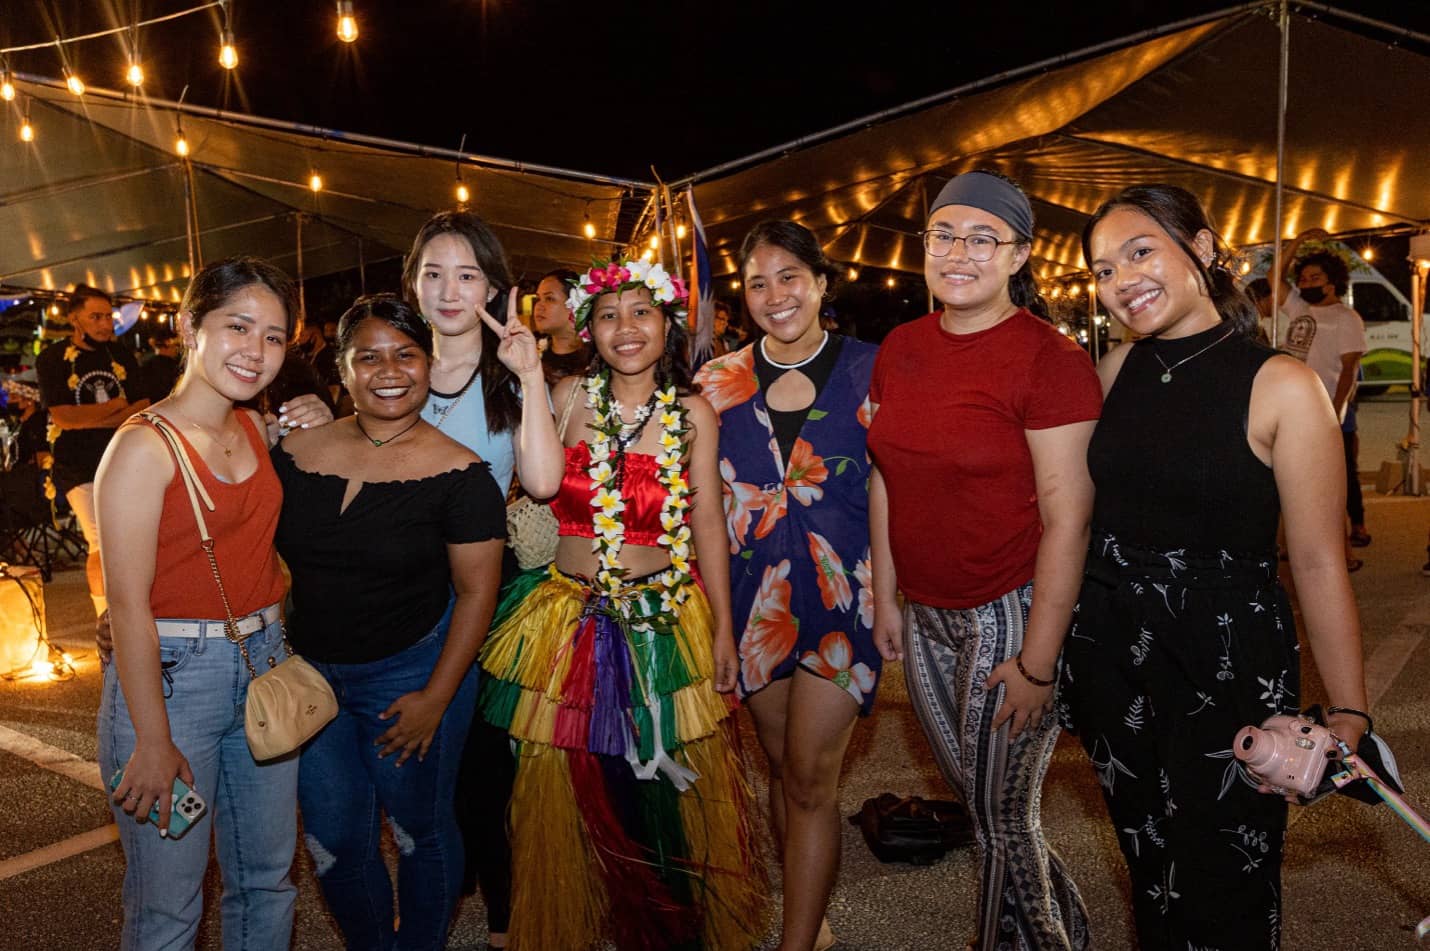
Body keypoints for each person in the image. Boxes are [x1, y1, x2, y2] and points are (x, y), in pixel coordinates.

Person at [1064, 185, 1370, 949]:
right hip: (1112, 649)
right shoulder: (1114, 368)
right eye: (1102, 269)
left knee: (1227, 870)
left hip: (1225, 657)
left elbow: (1317, 560)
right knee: (1149, 862)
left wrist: (1351, 709)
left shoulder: (1283, 385)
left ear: (1202, 248)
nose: (1120, 279)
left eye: (1140, 251)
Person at [476, 257, 767, 951]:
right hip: (568, 618)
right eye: (608, 315)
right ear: (588, 329)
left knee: (660, 797)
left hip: (663, 619)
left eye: (641, 312)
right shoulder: (570, 395)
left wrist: (725, 627)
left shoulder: (692, 412)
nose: (625, 329)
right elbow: (538, 483)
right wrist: (526, 376)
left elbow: (705, 529)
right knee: (571, 791)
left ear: (667, 323)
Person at [866, 170, 1097, 950]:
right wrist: (886, 595)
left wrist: (1038, 661)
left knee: (1000, 819)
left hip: (1012, 607)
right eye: (942, 235)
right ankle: (1069, 928)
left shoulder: (1048, 357)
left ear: (1019, 253)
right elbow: (887, 473)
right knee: (991, 808)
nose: (957, 253)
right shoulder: (900, 348)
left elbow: (1069, 518)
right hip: (925, 610)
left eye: (981, 238)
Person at [273, 294, 526, 949]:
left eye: (406, 353)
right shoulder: (295, 454)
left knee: (420, 830)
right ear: (343, 367)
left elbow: (477, 593)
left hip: (413, 673)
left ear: (428, 362)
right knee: (332, 837)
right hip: (314, 678)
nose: (389, 369)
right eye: (369, 355)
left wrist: (436, 698)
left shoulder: (463, 474)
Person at [95, 257, 303, 950]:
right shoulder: (141, 448)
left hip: (265, 665)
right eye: (238, 326)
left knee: (268, 879)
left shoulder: (252, 426)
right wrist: (152, 740)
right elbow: (125, 606)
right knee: (168, 908)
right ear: (190, 327)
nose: (256, 350)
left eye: (274, 336)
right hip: (175, 683)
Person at [694, 220, 879, 951]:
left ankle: (795, 939)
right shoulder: (717, 381)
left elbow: (896, 488)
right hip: (752, 600)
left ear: (823, 283)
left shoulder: (872, 368)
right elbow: (702, 501)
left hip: (847, 598)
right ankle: (810, 894)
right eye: (758, 281)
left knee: (808, 772)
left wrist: (892, 592)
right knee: (780, 767)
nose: (775, 295)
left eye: (790, 277)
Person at [402, 210, 563, 949]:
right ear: (412, 282)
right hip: (403, 592)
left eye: (467, 274)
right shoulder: (393, 368)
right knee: (416, 756)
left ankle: (504, 914)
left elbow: (540, 478)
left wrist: (531, 377)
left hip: (487, 594)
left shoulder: (510, 380)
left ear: (494, 289)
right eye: (433, 272)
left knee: (485, 763)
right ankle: (445, 877)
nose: (448, 289)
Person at [36, 285, 147, 615]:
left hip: (124, 460)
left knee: (131, 540)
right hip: (78, 468)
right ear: (74, 319)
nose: (105, 324)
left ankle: (136, 610)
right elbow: (63, 418)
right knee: (100, 543)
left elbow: (141, 406)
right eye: (95, 317)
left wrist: (89, 418)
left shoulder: (121, 355)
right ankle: (105, 619)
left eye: (108, 317)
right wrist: (115, 408)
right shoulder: (53, 358)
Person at [1277, 237, 1371, 554]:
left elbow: (1349, 369)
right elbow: (1273, 278)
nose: (1306, 284)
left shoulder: (1346, 318)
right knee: (1301, 474)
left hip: (1332, 408)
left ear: (1333, 282)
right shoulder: (1300, 308)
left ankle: (1355, 527)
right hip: (1297, 410)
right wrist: (1299, 242)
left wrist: (1337, 409)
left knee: (1342, 473)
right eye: (1303, 278)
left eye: (1314, 278)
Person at [531, 267, 591, 383]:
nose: (539, 306)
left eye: (549, 298)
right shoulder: (532, 356)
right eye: (538, 298)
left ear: (574, 303)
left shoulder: (595, 358)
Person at [131, 325, 183, 404]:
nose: (177, 349)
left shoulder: (145, 365)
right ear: (167, 343)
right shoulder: (174, 366)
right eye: (176, 346)